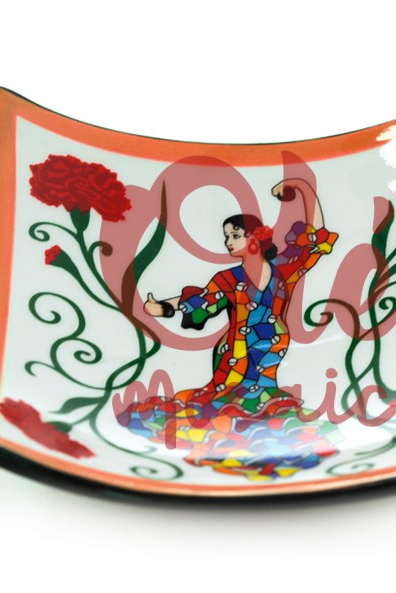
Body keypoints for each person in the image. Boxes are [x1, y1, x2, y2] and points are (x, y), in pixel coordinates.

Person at [116, 179, 342, 481]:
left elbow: (315, 240)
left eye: (235, 235)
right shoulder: (227, 279)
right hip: (235, 353)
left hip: (269, 353)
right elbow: (202, 300)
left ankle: (256, 449)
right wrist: (164, 307)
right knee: (228, 402)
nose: (228, 241)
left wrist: (302, 188)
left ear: (254, 238)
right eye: (227, 236)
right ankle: (228, 446)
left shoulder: (283, 271)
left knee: (264, 402)